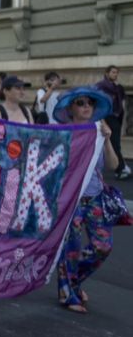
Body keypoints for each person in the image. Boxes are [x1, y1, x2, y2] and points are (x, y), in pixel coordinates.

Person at [52, 86, 118, 313]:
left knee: (103, 246)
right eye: (80, 103)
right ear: (71, 108)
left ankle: (73, 282)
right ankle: (66, 292)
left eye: (89, 102)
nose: (87, 106)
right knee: (70, 247)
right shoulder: (64, 134)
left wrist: (107, 139)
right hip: (72, 198)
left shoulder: (99, 131)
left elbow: (114, 166)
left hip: (96, 198)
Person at [94, 65, 130, 180]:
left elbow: (122, 103)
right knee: (113, 143)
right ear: (107, 73)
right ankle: (120, 169)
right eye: (113, 72)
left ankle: (121, 166)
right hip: (107, 116)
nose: (115, 74)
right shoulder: (101, 86)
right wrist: (101, 118)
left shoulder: (118, 87)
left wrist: (123, 120)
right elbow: (97, 102)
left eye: (116, 73)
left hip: (117, 117)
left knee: (116, 143)